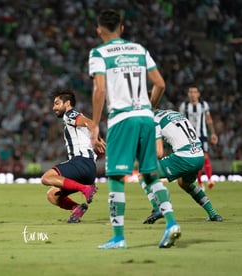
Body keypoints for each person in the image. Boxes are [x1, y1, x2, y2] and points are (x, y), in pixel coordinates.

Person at [89, 9, 180, 249]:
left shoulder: (99, 53)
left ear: (99, 31)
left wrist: (95, 124)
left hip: (122, 119)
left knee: (116, 177)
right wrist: (149, 108)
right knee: (150, 174)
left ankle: (118, 237)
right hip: (146, 118)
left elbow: (99, 90)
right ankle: (171, 223)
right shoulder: (140, 50)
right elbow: (160, 83)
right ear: (122, 28)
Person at [140, 109, 223, 224]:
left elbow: (159, 153)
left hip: (184, 157)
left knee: (143, 172)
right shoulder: (174, 113)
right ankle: (213, 213)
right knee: (184, 183)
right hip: (199, 155)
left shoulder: (154, 120)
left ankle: (157, 208)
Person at [41, 89, 101, 223]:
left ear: (67, 103)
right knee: (52, 195)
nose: (53, 107)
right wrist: (98, 141)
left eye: (57, 103)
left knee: (46, 178)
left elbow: (91, 123)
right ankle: (76, 208)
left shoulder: (70, 114)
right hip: (89, 171)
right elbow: (91, 127)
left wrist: (96, 139)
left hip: (81, 162)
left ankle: (85, 189)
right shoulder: (77, 123)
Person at [179, 85, 218, 190]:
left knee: (205, 156)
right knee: (196, 159)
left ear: (198, 94)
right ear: (188, 94)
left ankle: (210, 179)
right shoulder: (184, 106)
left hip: (202, 135)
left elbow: (209, 119)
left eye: (194, 92)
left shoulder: (204, 105)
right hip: (189, 137)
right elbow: (180, 121)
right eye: (190, 92)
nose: (192, 94)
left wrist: (213, 133)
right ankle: (200, 183)